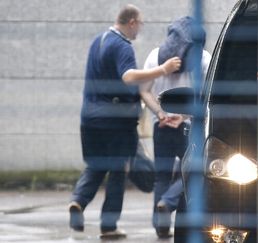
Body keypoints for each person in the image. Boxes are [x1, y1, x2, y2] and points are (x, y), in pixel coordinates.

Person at [68, 4, 181, 239]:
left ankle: (78, 202)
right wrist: (162, 69)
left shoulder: (98, 41)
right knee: (118, 171)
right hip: (115, 122)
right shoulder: (122, 46)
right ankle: (109, 226)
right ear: (131, 22)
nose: (139, 29)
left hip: (89, 119)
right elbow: (128, 77)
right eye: (140, 24)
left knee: (96, 165)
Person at [140, 16, 211, 238]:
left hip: (161, 126)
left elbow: (144, 90)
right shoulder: (202, 58)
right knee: (193, 170)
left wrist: (161, 113)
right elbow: (205, 94)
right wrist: (182, 115)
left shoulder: (155, 55)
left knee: (161, 176)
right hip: (187, 126)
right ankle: (170, 201)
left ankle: (160, 225)